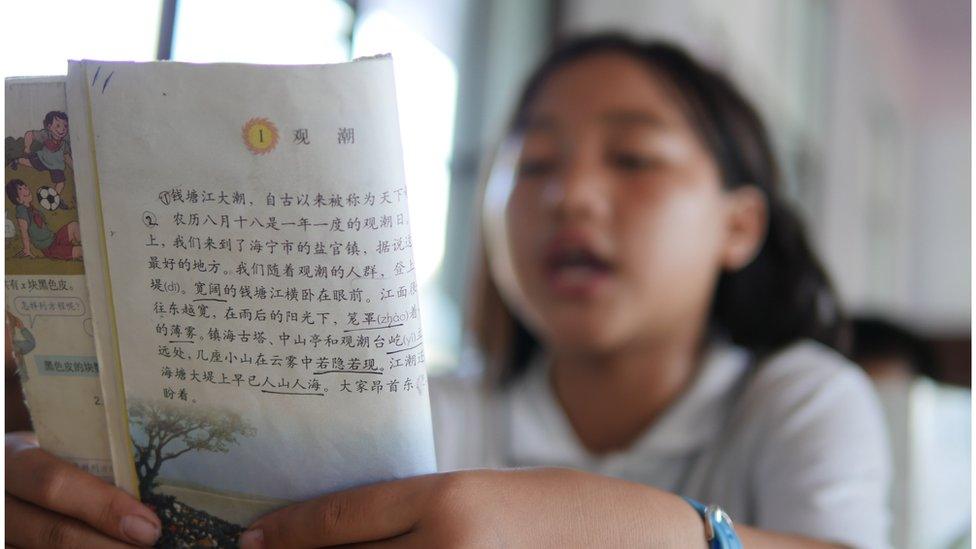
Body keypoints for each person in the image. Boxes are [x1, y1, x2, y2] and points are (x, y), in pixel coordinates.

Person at [5, 34, 889, 548]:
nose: (571, 195)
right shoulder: (438, 412)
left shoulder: (799, 396)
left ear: (740, 225)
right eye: (534, 162)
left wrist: (647, 532)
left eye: (633, 158)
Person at [9, 110, 73, 209]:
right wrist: (27, 148)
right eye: (58, 126)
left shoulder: (64, 143)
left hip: (56, 166)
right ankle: (16, 161)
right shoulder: (45, 135)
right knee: (29, 163)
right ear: (49, 127)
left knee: (61, 183)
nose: (62, 129)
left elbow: (66, 157)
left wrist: (74, 168)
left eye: (65, 126)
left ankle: (55, 198)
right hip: (42, 159)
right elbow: (29, 134)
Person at [5, 178, 82, 260]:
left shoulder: (33, 209)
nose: (25, 188)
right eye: (20, 189)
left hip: (55, 238)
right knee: (80, 251)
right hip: (50, 249)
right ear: (18, 199)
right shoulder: (21, 210)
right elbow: (24, 231)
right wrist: (27, 249)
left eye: (25, 186)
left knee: (74, 225)